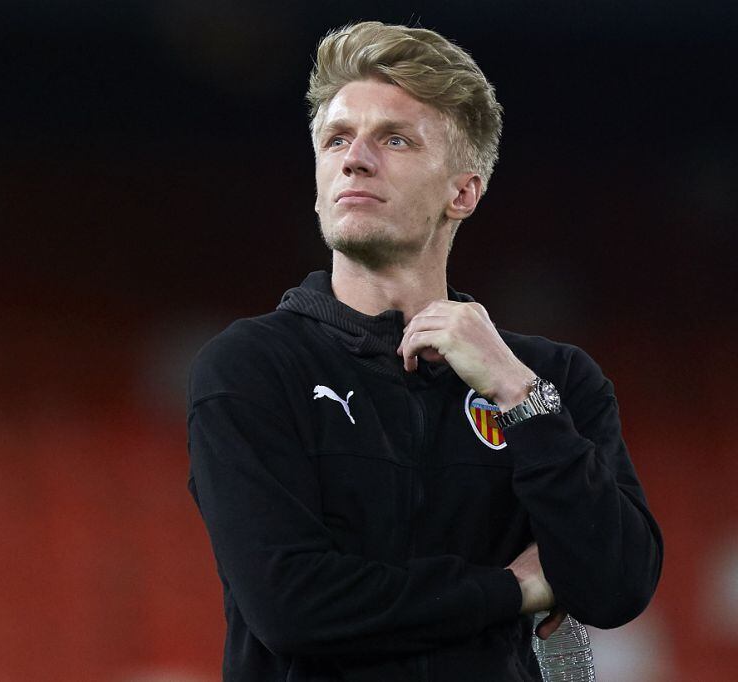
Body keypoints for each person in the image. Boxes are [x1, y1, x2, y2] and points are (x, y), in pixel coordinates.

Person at [185, 20, 662, 681]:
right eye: (337, 139)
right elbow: (294, 606)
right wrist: (511, 589)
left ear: (462, 192)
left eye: (395, 139)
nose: (354, 158)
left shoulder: (551, 380)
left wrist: (519, 399)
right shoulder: (253, 367)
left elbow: (616, 587)